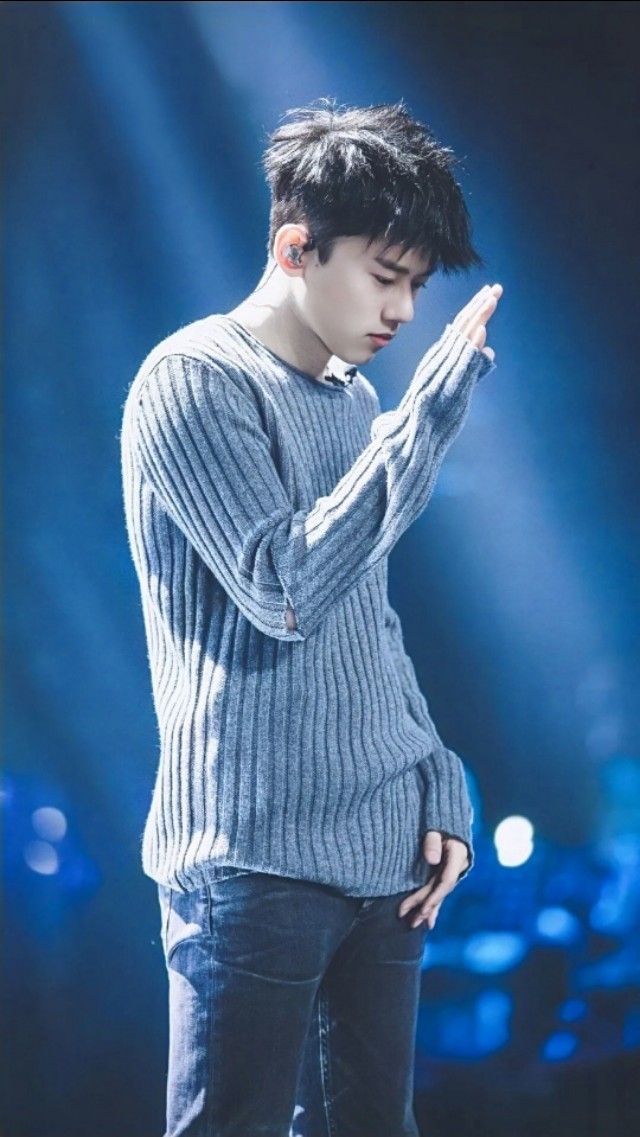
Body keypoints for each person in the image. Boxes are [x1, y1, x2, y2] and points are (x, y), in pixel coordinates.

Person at [120, 98, 502, 1137]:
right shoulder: (191, 381)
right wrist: (426, 421)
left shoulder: (354, 404)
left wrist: (436, 776)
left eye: (416, 285)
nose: (404, 311)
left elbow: (366, 622)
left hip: (385, 855)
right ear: (296, 248)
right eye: (386, 276)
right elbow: (284, 589)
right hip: (252, 859)